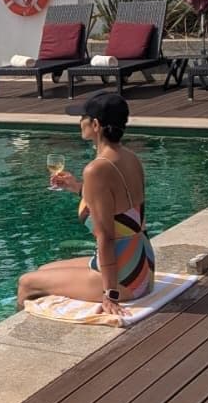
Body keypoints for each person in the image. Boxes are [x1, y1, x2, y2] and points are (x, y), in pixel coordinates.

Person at [16, 92, 155, 318]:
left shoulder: (96, 169)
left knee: (26, 283)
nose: (80, 122)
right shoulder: (131, 157)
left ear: (96, 125)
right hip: (142, 264)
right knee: (43, 270)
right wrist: (76, 187)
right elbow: (120, 209)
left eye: (83, 117)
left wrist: (110, 294)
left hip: (125, 279)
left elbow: (106, 237)